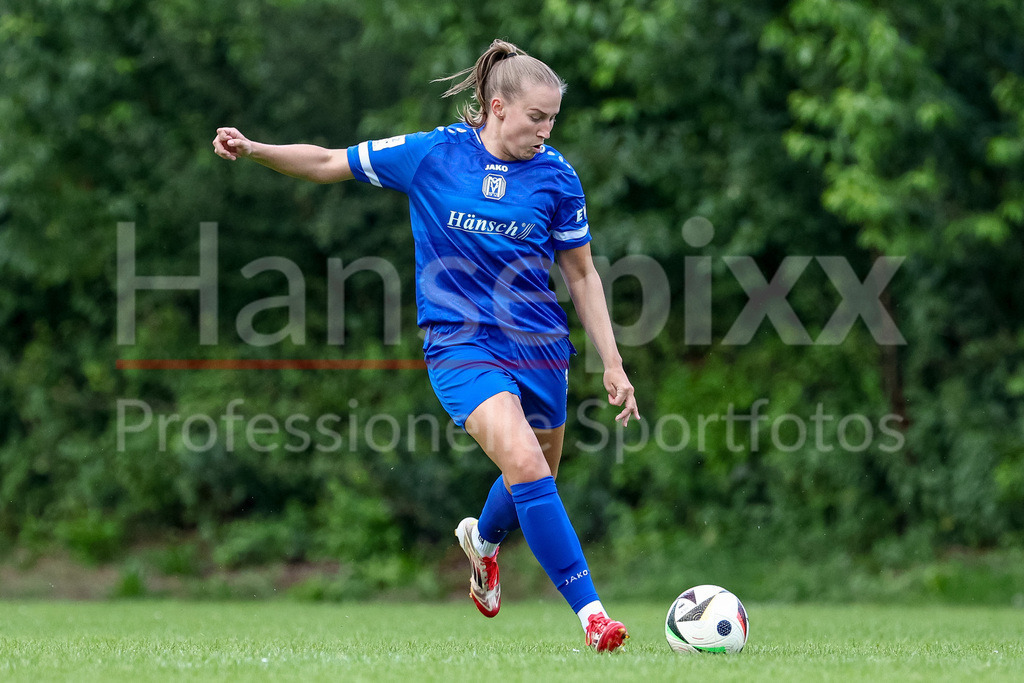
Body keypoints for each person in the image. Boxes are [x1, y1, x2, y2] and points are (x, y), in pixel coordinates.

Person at [212, 38, 640, 653]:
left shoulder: (557, 176)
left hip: (542, 345)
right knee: (523, 464)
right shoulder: (433, 154)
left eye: (552, 119)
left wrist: (613, 362)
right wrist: (255, 150)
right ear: (497, 107)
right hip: (460, 342)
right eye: (536, 118)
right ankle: (593, 617)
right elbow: (329, 161)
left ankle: (483, 543)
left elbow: (581, 275)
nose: (546, 131)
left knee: (539, 468)